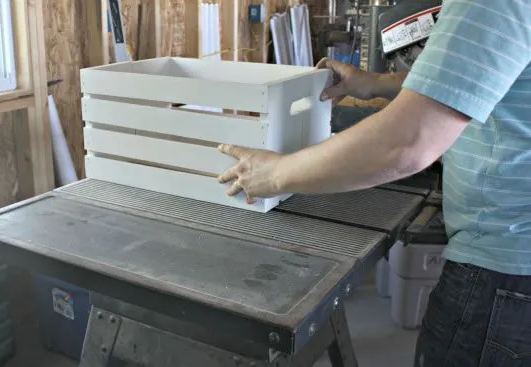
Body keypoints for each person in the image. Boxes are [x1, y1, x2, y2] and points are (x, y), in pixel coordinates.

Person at [217, 0, 531, 366]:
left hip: (504, 273)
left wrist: (276, 174)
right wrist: (375, 84)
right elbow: (472, 76)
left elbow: (407, 141)